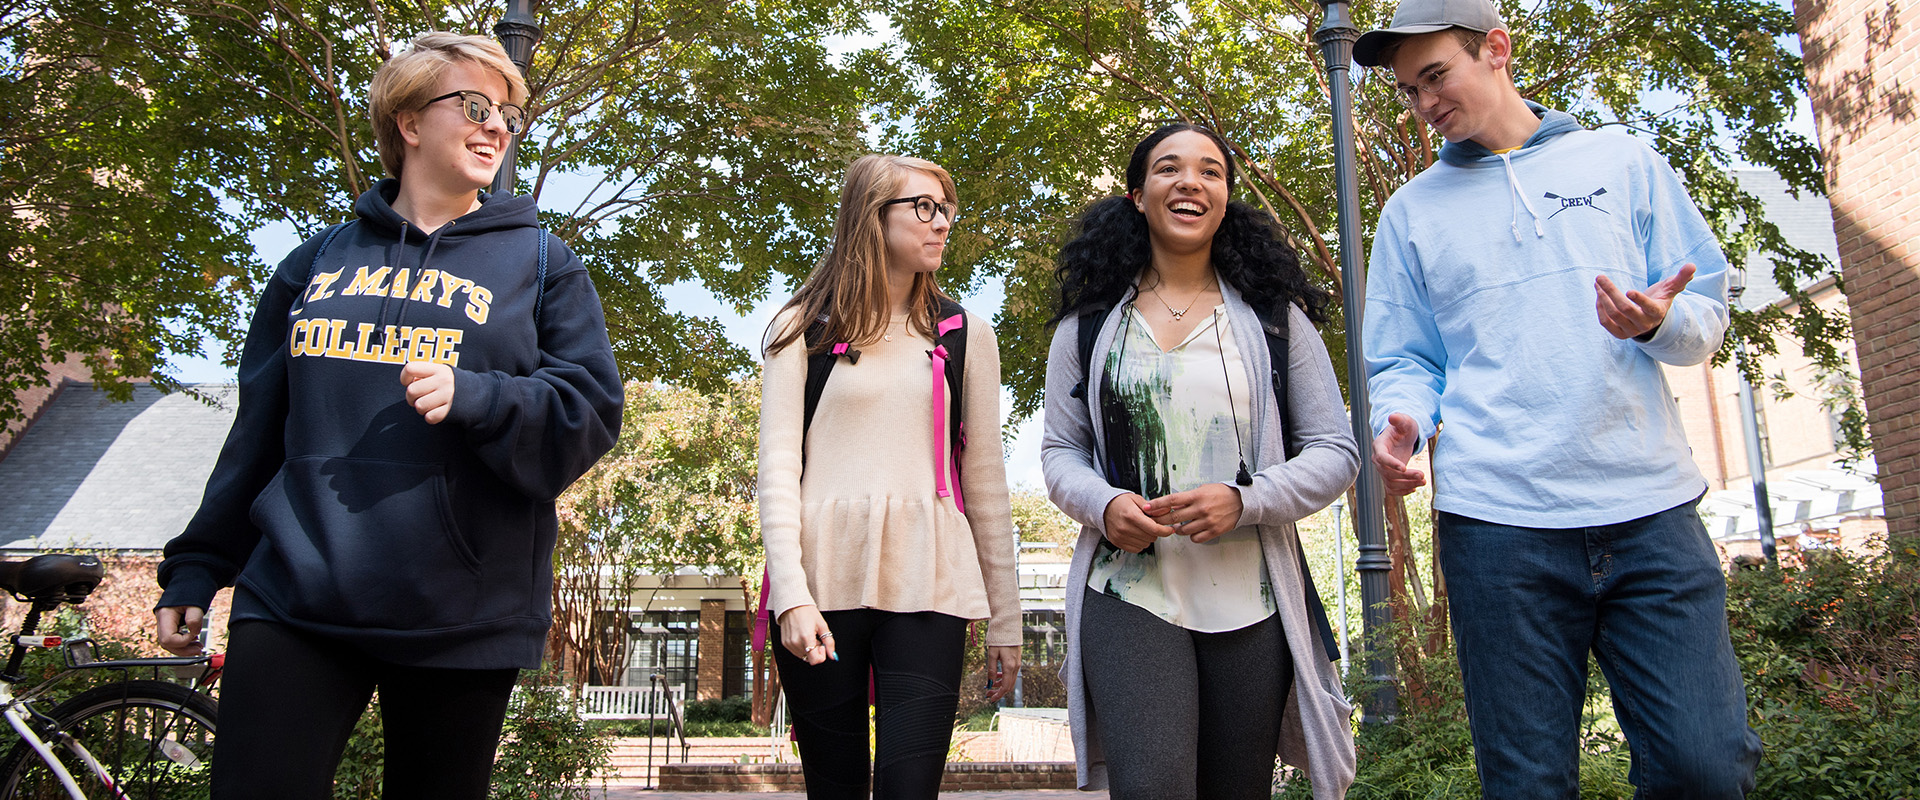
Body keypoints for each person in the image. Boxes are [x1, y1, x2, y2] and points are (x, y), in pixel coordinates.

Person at [152, 32, 623, 799]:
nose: (497, 126)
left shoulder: (542, 263)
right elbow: (259, 434)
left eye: (507, 112)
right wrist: (198, 567)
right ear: (408, 121)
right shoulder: (315, 262)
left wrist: (480, 395)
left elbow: (591, 411)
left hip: (461, 610)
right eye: (474, 105)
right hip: (295, 596)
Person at [1354, 1, 1764, 797]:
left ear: (1497, 49)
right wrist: (1402, 418)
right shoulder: (1411, 213)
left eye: (1435, 76)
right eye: (1409, 91)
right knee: (1528, 784)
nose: (1424, 102)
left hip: (1650, 514)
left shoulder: (1623, 159)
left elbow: (1703, 316)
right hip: (1498, 531)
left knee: (1705, 767)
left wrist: (1658, 321)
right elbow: (1403, 358)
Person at [1040, 123, 1359, 800]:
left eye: (1211, 171)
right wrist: (1103, 504)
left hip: (1255, 599)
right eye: (1169, 169)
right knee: (1152, 785)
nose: (1191, 181)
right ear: (1136, 195)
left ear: (1226, 199)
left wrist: (1247, 500)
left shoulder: (1276, 320)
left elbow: (1336, 450)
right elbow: (1062, 453)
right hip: (1125, 589)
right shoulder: (1088, 324)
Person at [757, 154, 1021, 799]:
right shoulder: (802, 327)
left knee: (911, 787)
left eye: (947, 209)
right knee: (835, 787)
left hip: (930, 577)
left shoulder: (963, 333)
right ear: (871, 218)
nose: (941, 223)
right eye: (924, 207)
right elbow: (777, 470)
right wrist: (790, 596)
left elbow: (984, 478)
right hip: (820, 581)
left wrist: (1006, 618)